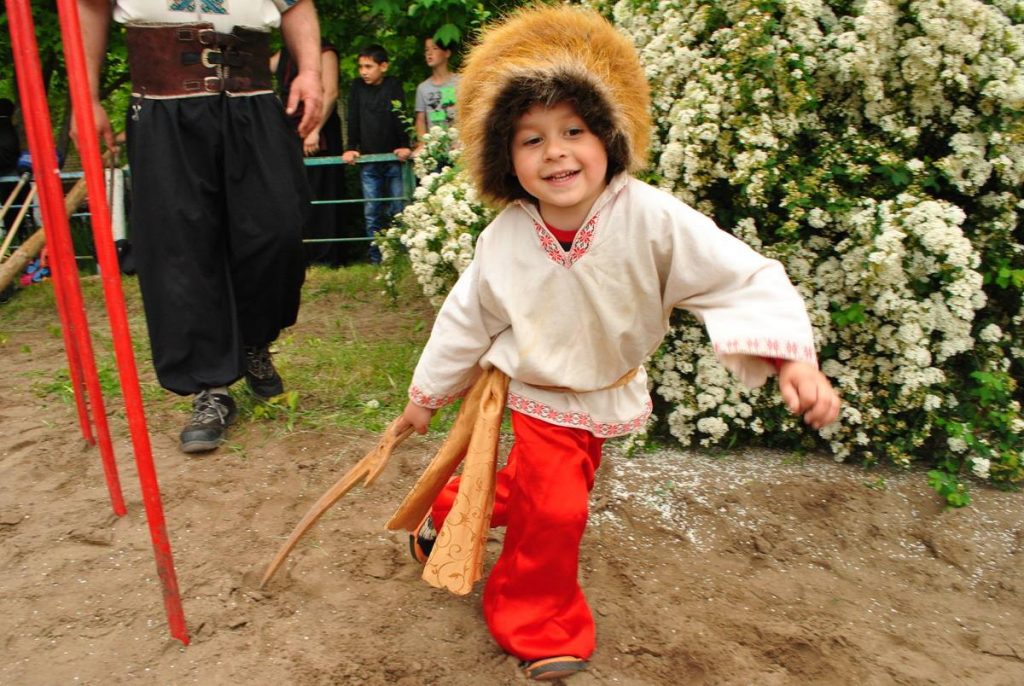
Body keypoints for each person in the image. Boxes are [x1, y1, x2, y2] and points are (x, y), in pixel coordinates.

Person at [393, 6, 841, 682]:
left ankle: (453, 509)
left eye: (574, 130)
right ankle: (537, 622)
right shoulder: (504, 238)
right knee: (556, 510)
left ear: (608, 135)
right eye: (531, 139)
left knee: (534, 490)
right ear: (505, 159)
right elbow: (466, 318)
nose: (556, 153)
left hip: (608, 390)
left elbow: (738, 277)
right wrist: (424, 398)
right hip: (539, 393)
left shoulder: (652, 218)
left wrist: (791, 359)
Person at [76, 0, 323, 454]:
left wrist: (310, 71)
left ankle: (252, 338)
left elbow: (296, 4)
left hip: (253, 95)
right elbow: (88, 8)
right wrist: (85, 97)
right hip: (163, 101)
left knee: (278, 229)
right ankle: (211, 384)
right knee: (181, 247)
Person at [272, 38, 354, 266]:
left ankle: (326, 256)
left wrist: (315, 130)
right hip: (292, 130)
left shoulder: (325, 50)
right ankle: (302, 255)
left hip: (320, 131)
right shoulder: (284, 52)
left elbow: (331, 92)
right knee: (297, 193)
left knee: (323, 191)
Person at [341, 45, 411, 264]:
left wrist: (404, 145)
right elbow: (353, 118)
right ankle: (376, 258)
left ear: (383, 66)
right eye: (361, 66)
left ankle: (400, 256)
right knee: (372, 210)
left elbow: (400, 115)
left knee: (398, 208)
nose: (364, 71)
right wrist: (351, 147)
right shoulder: (356, 88)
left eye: (368, 66)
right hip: (369, 159)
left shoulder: (393, 85)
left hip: (393, 157)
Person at [412, 36, 458, 157]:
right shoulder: (423, 88)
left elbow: (469, 114)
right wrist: (422, 144)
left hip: (458, 149)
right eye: (426, 50)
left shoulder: (460, 82)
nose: (429, 53)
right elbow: (420, 120)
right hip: (435, 152)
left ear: (447, 53)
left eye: (435, 48)